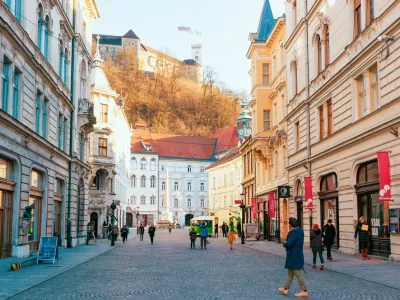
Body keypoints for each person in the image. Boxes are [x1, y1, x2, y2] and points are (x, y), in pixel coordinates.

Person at [278, 217, 308, 298]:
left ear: (290, 225)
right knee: (290, 273)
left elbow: (289, 243)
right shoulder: (300, 231)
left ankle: (304, 290)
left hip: (294, 255)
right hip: (296, 254)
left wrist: (284, 243)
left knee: (298, 274)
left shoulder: (294, 232)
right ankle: (285, 289)